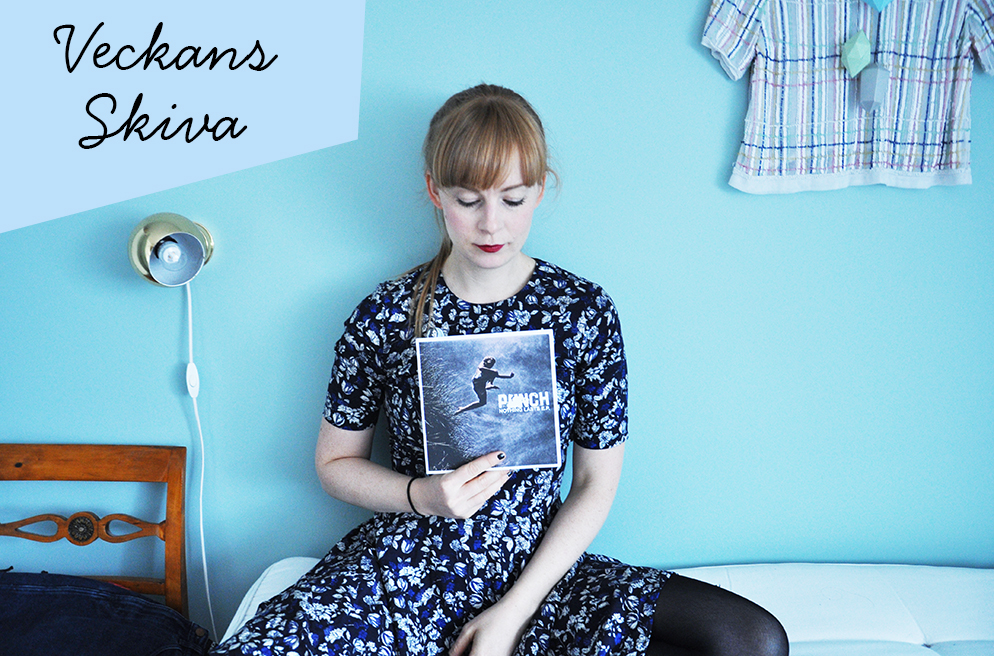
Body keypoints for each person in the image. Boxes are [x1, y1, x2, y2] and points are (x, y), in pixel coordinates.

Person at [214, 84, 789, 656]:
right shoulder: (385, 314)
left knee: (753, 640)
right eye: (469, 201)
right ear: (435, 192)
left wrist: (513, 613)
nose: (492, 225)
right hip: (406, 568)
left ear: (540, 189)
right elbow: (335, 465)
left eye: (512, 200)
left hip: (540, 573)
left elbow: (595, 483)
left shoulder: (581, 311)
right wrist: (422, 495)